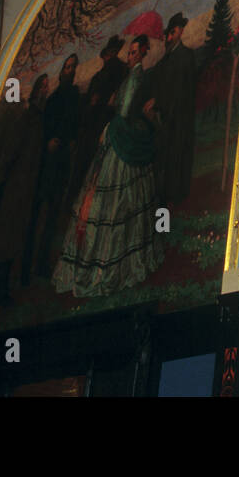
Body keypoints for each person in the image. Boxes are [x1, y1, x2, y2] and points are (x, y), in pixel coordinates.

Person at [53, 35, 163, 298]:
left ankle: (109, 266)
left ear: (143, 53)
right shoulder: (130, 78)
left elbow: (124, 113)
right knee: (106, 200)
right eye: (130, 52)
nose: (130, 56)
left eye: (135, 52)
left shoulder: (137, 78)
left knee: (116, 202)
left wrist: (112, 120)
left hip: (121, 141)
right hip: (118, 135)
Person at [0, 74, 50, 305]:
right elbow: (10, 154)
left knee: (14, 239)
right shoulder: (26, 119)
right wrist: (2, 183)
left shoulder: (40, 120)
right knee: (6, 239)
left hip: (26, 189)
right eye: (42, 86)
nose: (45, 90)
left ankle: (3, 285)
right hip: (15, 189)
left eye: (46, 87)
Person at [28, 53, 80, 279]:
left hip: (61, 163)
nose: (68, 71)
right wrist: (49, 140)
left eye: (72, 68)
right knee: (36, 215)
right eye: (66, 67)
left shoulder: (75, 96)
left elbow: (76, 124)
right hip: (47, 164)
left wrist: (69, 141)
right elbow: (44, 127)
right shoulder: (53, 100)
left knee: (52, 217)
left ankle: (41, 265)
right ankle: (28, 266)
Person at [67, 35, 128, 211]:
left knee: (96, 168)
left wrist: (102, 102)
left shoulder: (120, 71)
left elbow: (115, 100)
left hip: (103, 125)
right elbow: (89, 104)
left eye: (112, 53)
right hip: (91, 126)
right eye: (108, 53)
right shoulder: (100, 76)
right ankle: (76, 204)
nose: (109, 56)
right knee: (84, 167)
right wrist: (90, 104)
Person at [147, 12, 199, 205]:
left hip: (178, 119)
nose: (169, 37)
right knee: (162, 164)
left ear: (180, 32)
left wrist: (159, 102)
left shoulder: (186, 56)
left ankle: (168, 215)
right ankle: (161, 216)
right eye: (167, 34)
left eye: (173, 32)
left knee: (175, 163)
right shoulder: (164, 62)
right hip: (164, 120)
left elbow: (181, 89)